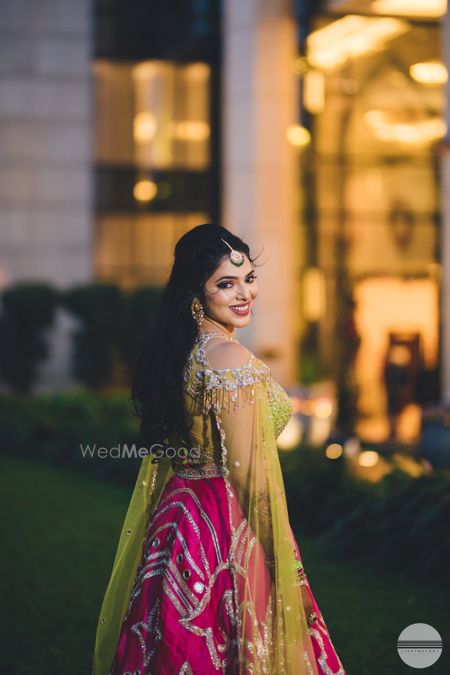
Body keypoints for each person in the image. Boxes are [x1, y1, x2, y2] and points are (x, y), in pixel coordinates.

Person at [92, 224, 346, 675]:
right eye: (226, 284)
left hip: (177, 522)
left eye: (248, 278)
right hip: (225, 525)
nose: (244, 293)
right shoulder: (229, 360)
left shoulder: (183, 352)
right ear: (197, 292)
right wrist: (278, 557)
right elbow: (246, 475)